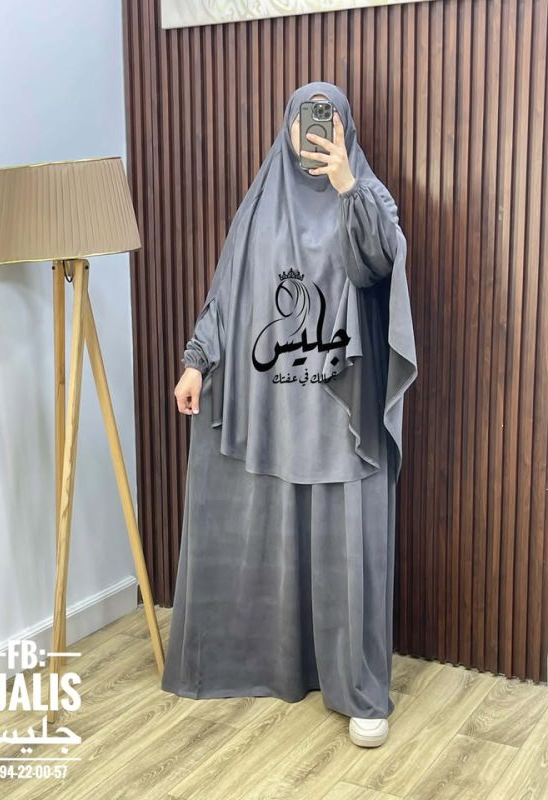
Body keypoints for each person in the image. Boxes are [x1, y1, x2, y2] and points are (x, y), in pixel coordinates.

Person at [161, 81, 417, 749]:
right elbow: (229, 294)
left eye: (326, 119)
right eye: (305, 119)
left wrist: (348, 185)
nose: (315, 131)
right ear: (286, 128)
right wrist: (197, 361)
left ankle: (358, 688)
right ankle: (270, 665)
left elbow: (380, 263)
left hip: (341, 410)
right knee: (269, 533)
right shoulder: (259, 207)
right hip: (273, 402)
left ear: (345, 127)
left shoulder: (366, 193)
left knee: (346, 545)